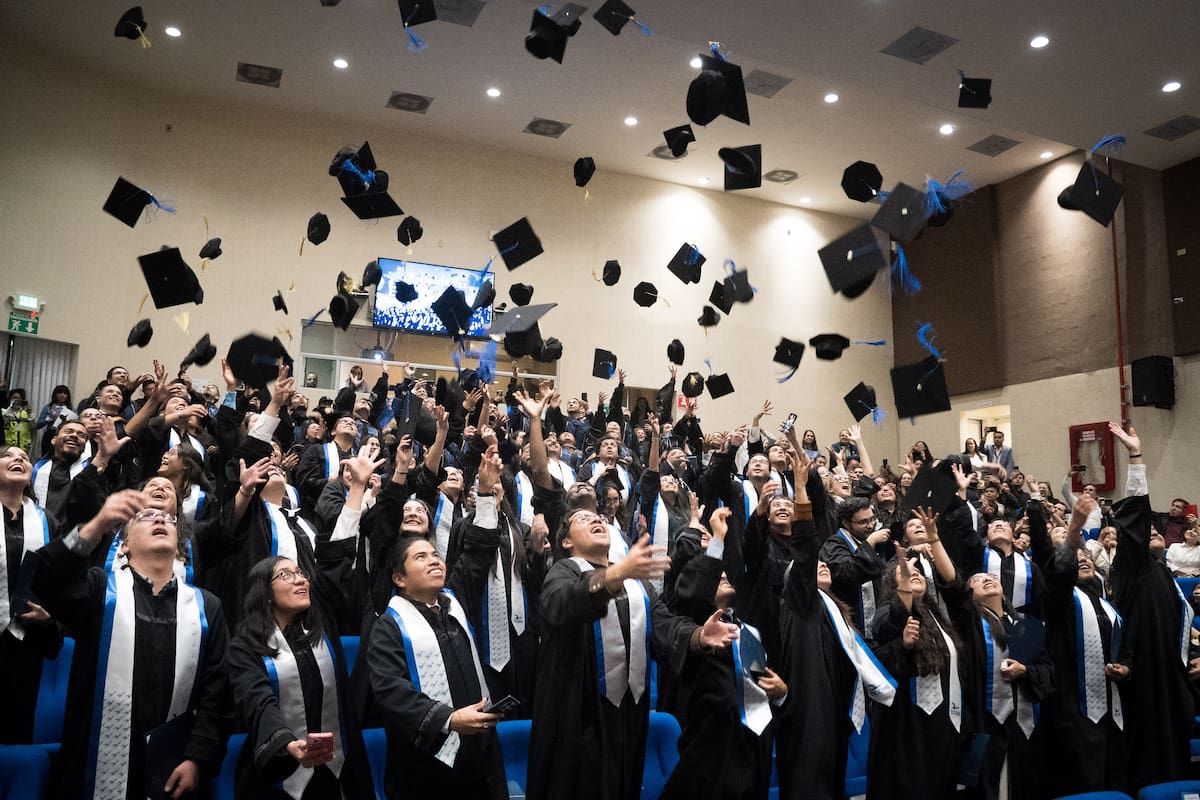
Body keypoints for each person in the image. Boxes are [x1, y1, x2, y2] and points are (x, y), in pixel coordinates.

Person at [525, 506, 738, 800]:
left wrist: (697, 636)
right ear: (566, 541)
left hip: (627, 719)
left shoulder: (637, 585)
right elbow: (560, 603)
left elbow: (664, 626)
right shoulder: (562, 573)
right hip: (576, 717)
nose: (595, 519)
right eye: (582, 519)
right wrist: (615, 574)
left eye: (597, 517)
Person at [33, 490, 232, 799]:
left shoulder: (207, 607)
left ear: (179, 545)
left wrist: (197, 758)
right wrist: (95, 527)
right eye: (146, 517)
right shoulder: (99, 590)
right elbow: (44, 578)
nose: (160, 520)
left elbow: (217, 692)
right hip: (92, 765)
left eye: (167, 519)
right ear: (124, 546)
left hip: (174, 769)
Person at [367, 445, 512, 800]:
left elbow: (477, 552)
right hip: (424, 762)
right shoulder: (390, 626)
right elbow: (392, 691)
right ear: (399, 578)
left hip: (478, 752)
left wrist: (485, 496)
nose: (434, 560)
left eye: (435, 554)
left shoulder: (454, 599)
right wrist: (447, 719)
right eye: (420, 557)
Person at [661, 506, 789, 800]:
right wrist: (717, 539)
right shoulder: (693, 623)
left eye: (724, 575)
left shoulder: (749, 631)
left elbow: (762, 684)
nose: (723, 576)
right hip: (713, 751)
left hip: (754, 746)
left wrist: (781, 693)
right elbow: (693, 592)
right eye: (715, 577)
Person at [228, 549, 373, 799]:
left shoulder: (323, 629)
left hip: (340, 767)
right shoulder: (245, 647)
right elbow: (258, 701)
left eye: (300, 573)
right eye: (285, 575)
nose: (300, 580)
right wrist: (285, 743)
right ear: (265, 593)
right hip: (280, 770)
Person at [1105, 423, 1195, 791]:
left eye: (1159, 530)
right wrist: (1135, 457)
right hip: (1145, 679)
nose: (1155, 531)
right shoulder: (1133, 566)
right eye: (1149, 531)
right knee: (1150, 763)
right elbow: (1135, 519)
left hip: (1172, 680)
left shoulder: (1164, 571)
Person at [1026, 488, 1129, 797]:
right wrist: (1073, 532)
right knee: (1082, 780)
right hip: (1071, 705)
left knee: (1113, 777)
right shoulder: (1060, 598)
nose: (1082, 559)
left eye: (1086, 557)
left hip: (1111, 708)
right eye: (1076, 557)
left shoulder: (1107, 606)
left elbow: (1124, 646)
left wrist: (1126, 667)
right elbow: (1058, 573)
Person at [0, 445, 62, 744]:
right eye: (8, 456)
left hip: (25, 639)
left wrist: (48, 617)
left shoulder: (47, 521)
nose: (18, 459)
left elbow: (58, 580)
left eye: (25, 458)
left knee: (16, 727)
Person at [819, 497, 889, 639]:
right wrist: (870, 542)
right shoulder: (834, 545)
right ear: (846, 523)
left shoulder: (873, 543)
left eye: (872, 519)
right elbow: (849, 573)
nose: (870, 525)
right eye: (863, 522)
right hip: (850, 626)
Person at [36, 384, 76, 456]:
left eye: (65, 393)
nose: (62, 395)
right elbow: (38, 425)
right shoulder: (48, 407)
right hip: (50, 435)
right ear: (55, 395)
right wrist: (50, 417)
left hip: (66, 435)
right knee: (47, 456)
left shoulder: (72, 409)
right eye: (60, 393)